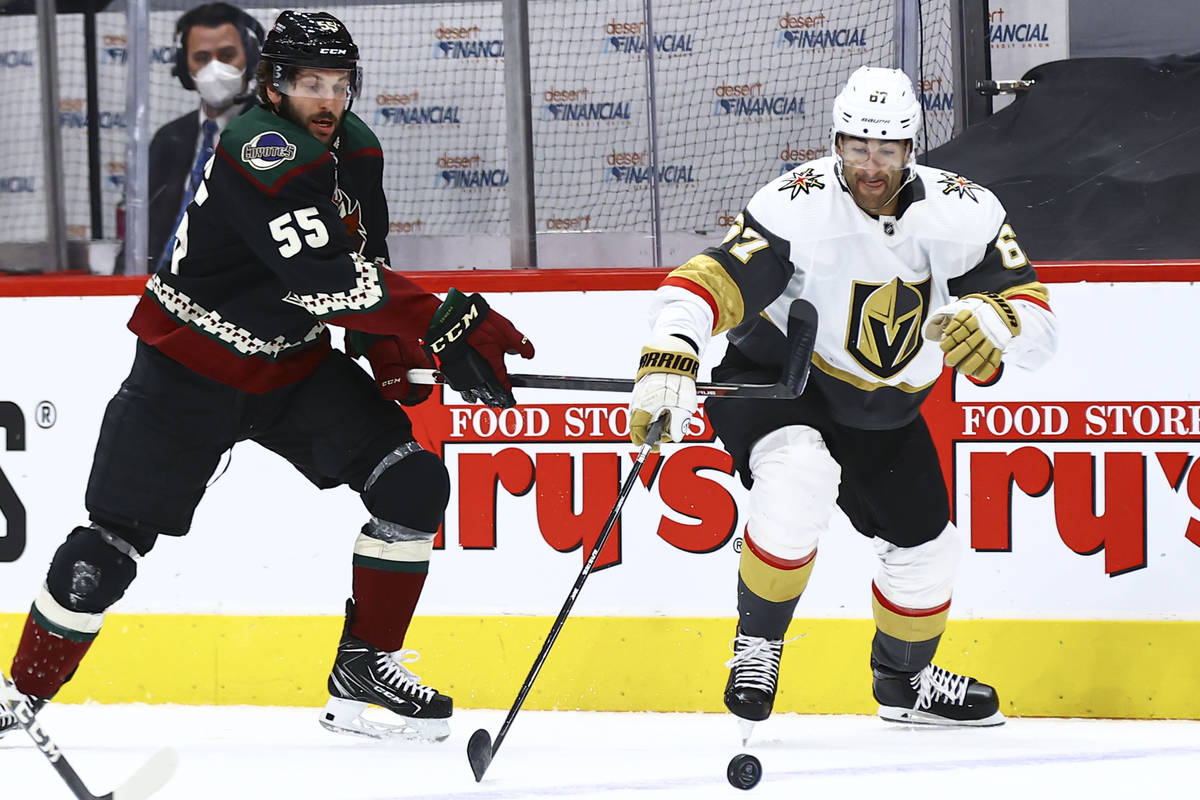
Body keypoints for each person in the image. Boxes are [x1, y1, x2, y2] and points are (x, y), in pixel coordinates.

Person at [0, 10, 533, 743]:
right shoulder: (261, 143)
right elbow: (320, 279)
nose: (326, 100)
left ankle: (364, 668)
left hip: (291, 370)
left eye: (339, 85)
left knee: (412, 482)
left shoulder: (358, 149)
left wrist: (387, 354)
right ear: (273, 86)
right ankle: (20, 692)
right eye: (309, 83)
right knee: (109, 547)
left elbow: (359, 265)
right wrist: (443, 323)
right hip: (190, 368)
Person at [629, 66, 1057, 732]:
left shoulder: (965, 212)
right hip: (779, 381)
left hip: (883, 408)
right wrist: (670, 348)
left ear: (912, 148)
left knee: (927, 549)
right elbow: (710, 278)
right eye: (857, 146)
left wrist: (995, 320)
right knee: (799, 473)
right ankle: (758, 646)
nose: (871, 166)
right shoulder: (793, 202)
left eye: (887, 149)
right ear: (837, 141)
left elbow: (1037, 321)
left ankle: (905, 681)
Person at [145, 3, 263, 272]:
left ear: (251, 58)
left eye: (227, 55)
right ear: (185, 67)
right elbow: (148, 228)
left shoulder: (274, 136)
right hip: (160, 288)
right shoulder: (169, 138)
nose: (215, 69)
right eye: (201, 58)